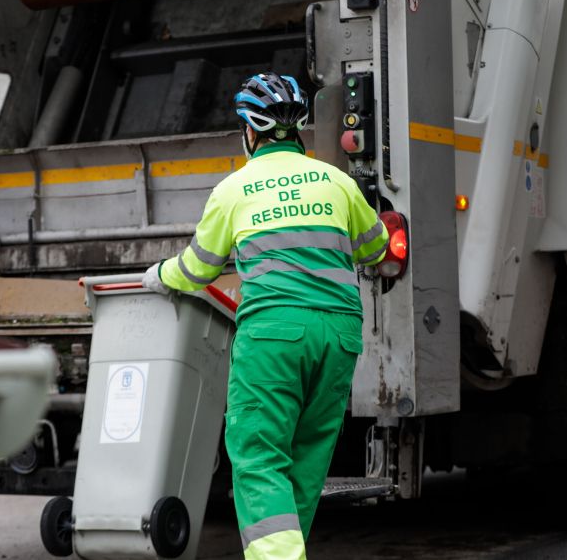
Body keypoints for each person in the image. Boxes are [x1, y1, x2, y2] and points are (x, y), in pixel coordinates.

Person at [142, 72, 389, 560]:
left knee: (258, 458)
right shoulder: (337, 181)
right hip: (340, 337)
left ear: (250, 132)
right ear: (297, 133)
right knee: (304, 464)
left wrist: (159, 275)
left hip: (275, 335)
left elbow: (197, 270)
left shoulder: (234, 191)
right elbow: (378, 247)